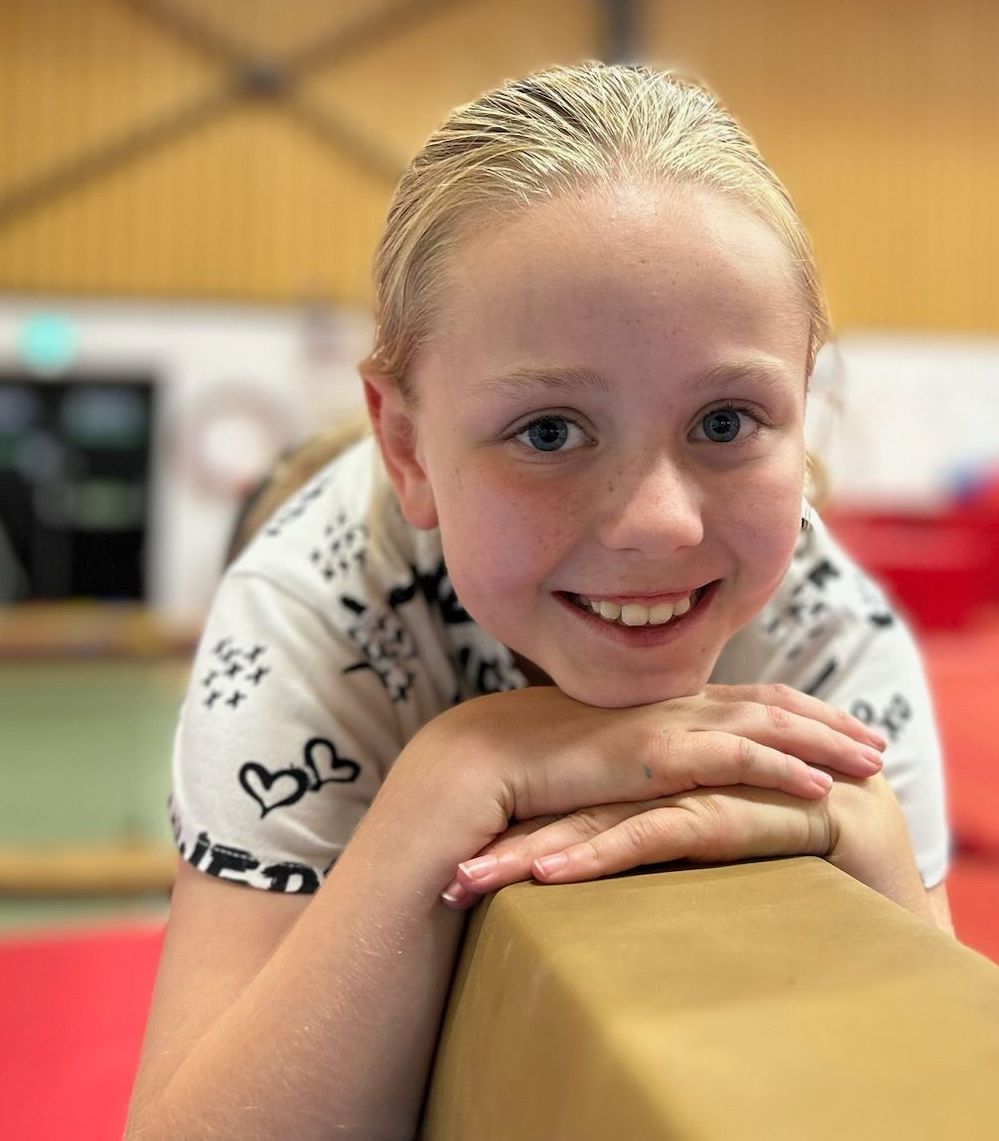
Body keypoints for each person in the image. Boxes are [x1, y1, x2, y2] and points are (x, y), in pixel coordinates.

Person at [125, 62, 952, 1140]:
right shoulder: (310, 612)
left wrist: (868, 833)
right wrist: (459, 769)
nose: (658, 522)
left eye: (726, 421)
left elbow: (941, 1087)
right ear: (408, 447)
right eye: (549, 432)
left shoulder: (826, 626)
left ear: (803, 404)